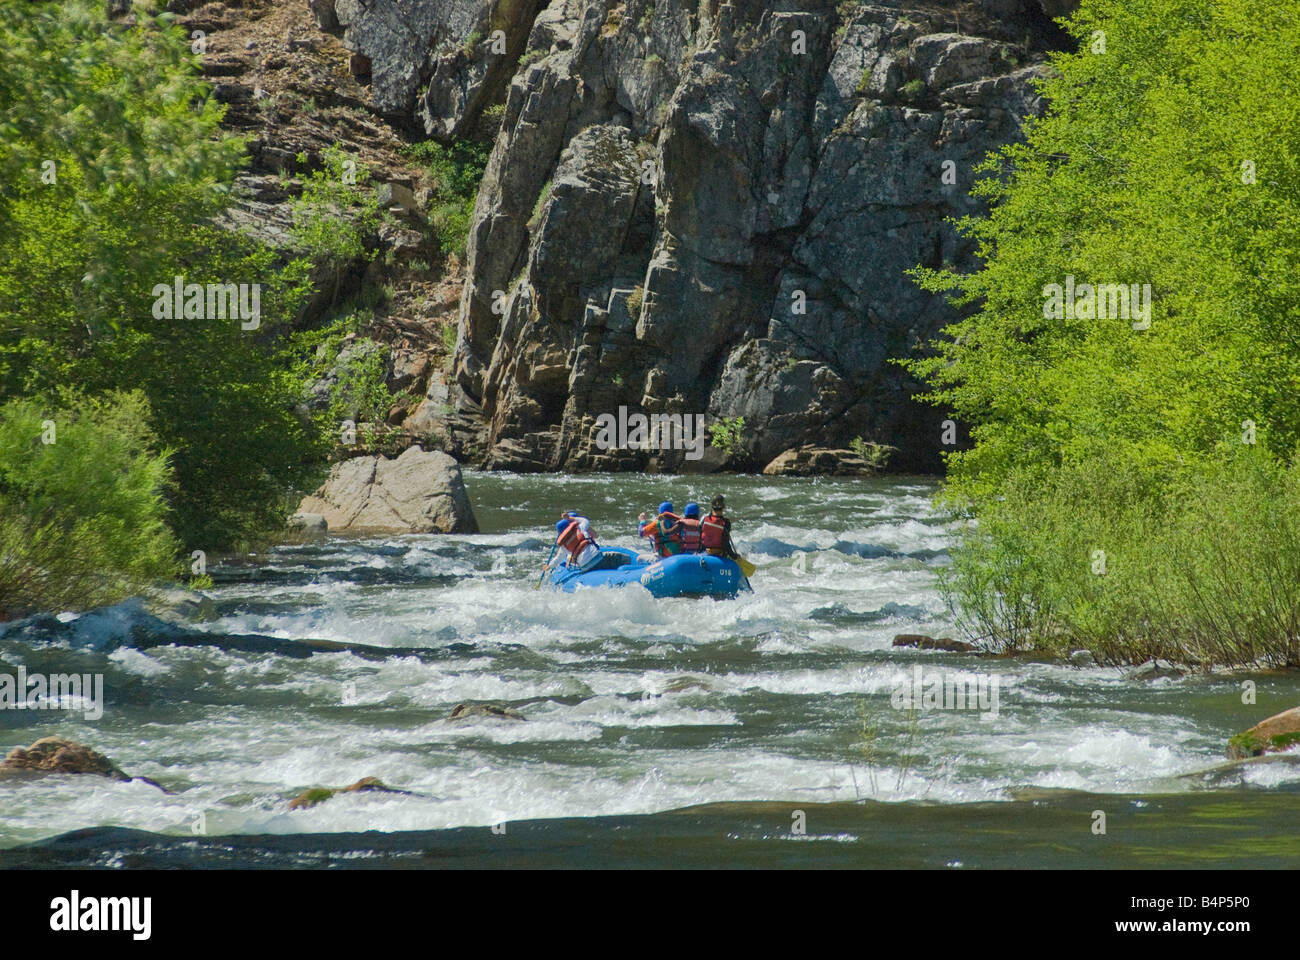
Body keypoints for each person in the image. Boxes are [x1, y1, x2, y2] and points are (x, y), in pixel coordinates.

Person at [700, 495, 737, 559]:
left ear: (712, 507)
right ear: (723, 507)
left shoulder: (704, 519)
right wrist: (733, 556)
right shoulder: (726, 522)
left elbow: (700, 536)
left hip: (705, 552)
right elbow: (725, 543)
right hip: (719, 554)